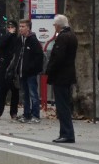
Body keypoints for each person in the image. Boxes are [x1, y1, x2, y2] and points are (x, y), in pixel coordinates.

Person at [45, 14, 77, 143]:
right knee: (64, 105)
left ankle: (67, 133)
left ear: (58, 25)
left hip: (61, 76)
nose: (54, 27)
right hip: (68, 75)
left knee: (62, 106)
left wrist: (49, 70)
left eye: (55, 25)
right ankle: (65, 132)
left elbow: (58, 57)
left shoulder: (63, 38)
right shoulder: (72, 36)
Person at [17, 19, 45, 123]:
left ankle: (35, 115)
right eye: (20, 26)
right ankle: (26, 113)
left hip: (30, 72)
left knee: (33, 94)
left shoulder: (32, 40)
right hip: (22, 71)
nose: (21, 28)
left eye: (23, 26)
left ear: (28, 28)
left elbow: (38, 56)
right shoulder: (21, 40)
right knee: (25, 94)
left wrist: (32, 68)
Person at [0, 21, 21, 120]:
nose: (10, 29)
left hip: (14, 66)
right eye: (8, 27)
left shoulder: (18, 39)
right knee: (3, 90)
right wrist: (9, 34)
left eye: (12, 27)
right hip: (5, 66)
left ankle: (14, 112)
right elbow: (0, 44)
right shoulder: (4, 37)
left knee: (15, 91)